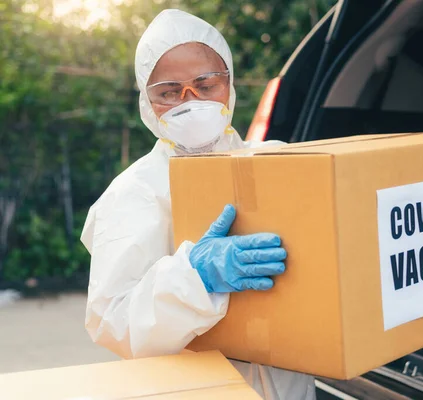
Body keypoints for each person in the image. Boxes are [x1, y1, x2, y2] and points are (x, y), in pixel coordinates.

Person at [81, 9, 316, 400]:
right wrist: (195, 276)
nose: (191, 103)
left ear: (229, 86)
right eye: (170, 92)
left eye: (206, 85)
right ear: (147, 102)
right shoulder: (132, 194)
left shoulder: (279, 163)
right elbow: (114, 325)